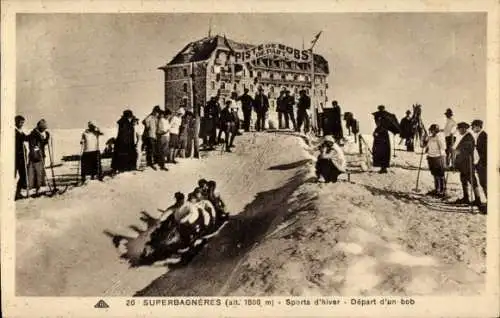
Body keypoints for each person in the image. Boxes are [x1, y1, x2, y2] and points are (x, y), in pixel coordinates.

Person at [453, 122, 481, 205]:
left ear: (464, 129)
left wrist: (457, 151)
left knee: (472, 181)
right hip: (463, 164)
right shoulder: (465, 137)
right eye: (458, 129)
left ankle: (478, 199)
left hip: (468, 164)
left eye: (460, 129)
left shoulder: (468, 137)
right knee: (463, 180)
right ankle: (466, 198)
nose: (459, 131)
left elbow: (466, 150)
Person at [422, 124, 447, 198]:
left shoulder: (440, 137)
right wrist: (424, 141)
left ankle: (442, 190)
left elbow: (443, 147)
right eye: (431, 130)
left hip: (439, 157)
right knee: (435, 174)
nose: (431, 131)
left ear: (436, 130)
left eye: (432, 130)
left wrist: (439, 141)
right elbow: (424, 146)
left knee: (440, 174)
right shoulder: (429, 137)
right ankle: (437, 189)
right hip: (431, 157)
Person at [27, 119, 50, 196]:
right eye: (43, 128)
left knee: (39, 173)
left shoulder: (39, 133)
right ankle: (36, 189)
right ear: (39, 127)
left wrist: (46, 138)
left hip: (39, 155)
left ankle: (38, 189)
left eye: (45, 128)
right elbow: (34, 145)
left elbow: (42, 143)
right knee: (37, 173)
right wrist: (37, 150)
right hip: (36, 157)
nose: (44, 129)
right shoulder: (34, 134)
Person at [471, 119, 487, 201]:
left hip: (483, 164)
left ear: (478, 126)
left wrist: (481, 163)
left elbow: (485, 152)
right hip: (481, 163)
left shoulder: (483, 136)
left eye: (473, 127)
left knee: (485, 183)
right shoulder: (480, 135)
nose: (472, 129)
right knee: (483, 183)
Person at [142, 105, 161, 170]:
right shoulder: (150, 117)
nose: (158, 114)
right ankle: (150, 163)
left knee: (154, 149)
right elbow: (144, 122)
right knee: (150, 150)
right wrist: (148, 127)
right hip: (150, 136)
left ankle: (153, 162)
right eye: (157, 112)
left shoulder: (156, 118)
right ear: (154, 112)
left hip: (154, 136)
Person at [15, 115, 29, 200]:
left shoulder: (20, 131)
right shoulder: (14, 131)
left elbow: (26, 138)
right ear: (16, 122)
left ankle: (18, 192)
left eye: (23, 123)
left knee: (23, 174)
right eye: (20, 122)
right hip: (16, 157)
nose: (22, 124)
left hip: (21, 157)